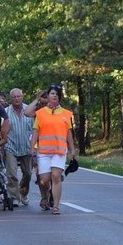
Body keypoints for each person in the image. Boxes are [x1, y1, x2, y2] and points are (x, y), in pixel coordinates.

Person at [29, 85, 76, 215]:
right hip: (44, 152)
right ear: (48, 96)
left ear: (59, 97)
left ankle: (56, 206)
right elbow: (36, 131)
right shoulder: (40, 113)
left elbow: (68, 134)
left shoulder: (66, 114)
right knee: (44, 180)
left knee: (56, 176)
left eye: (57, 94)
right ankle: (45, 196)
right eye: (52, 93)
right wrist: (32, 147)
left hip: (59, 151)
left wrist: (72, 150)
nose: (54, 96)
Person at [4, 88, 34, 206]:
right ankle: (14, 197)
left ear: (22, 97)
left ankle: (23, 193)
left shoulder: (29, 110)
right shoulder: (6, 112)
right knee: (11, 173)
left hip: (26, 147)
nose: (16, 99)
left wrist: (35, 147)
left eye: (18, 96)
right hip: (10, 146)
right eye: (14, 97)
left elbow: (35, 129)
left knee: (28, 173)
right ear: (10, 99)